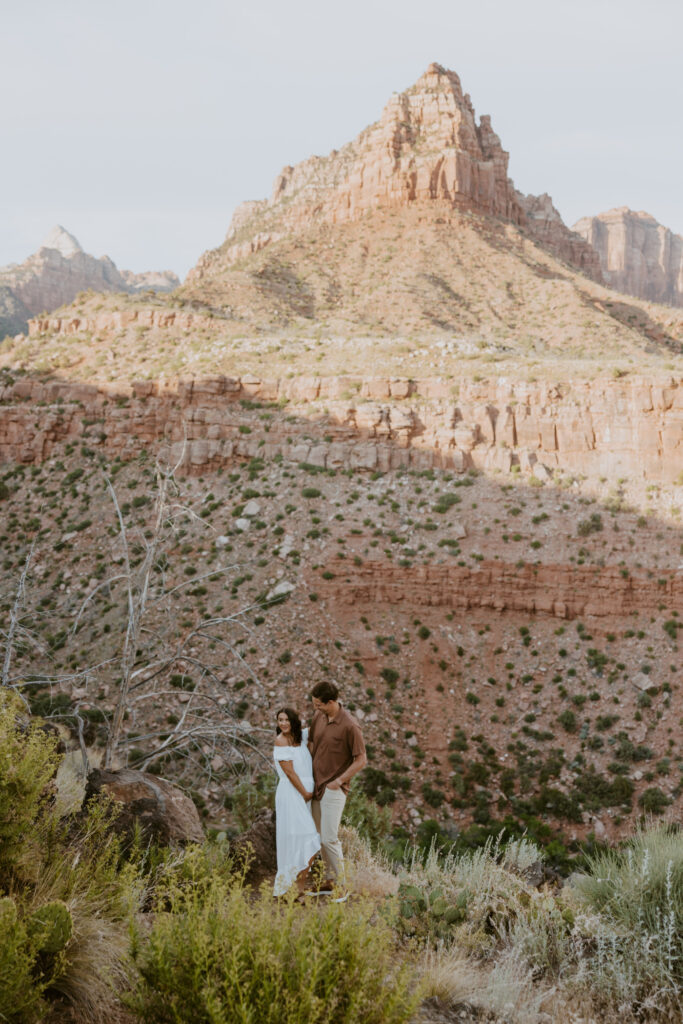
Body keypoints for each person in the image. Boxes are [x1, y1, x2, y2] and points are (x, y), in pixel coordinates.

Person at [308, 681, 367, 898]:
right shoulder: (319, 717)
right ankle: (329, 881)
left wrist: (339, 780)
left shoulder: (350, 726)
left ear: (331, 702)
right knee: (318, 836)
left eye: (319, 705)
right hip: (316, 785)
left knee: (329, 838)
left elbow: (361, 760)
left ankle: (343, 885)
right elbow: (312, 744)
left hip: (334, 788)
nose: (316, 708)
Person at [272, 706, 321, 898]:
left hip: (305, 794)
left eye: (286, 720)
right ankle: (286, 886)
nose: (283, 723)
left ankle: (299, 889)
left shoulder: (301, 737)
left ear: (293, 721)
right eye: (280, 720)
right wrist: (305, 793)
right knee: (303, 837)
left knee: (305, 840)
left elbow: (318, 722)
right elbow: (289, 772)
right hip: (292, 794)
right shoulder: (280, 741)